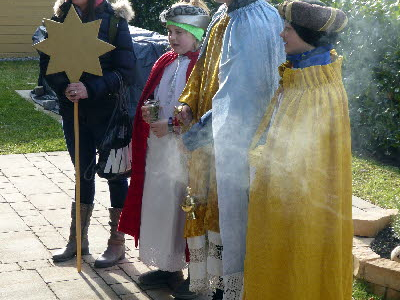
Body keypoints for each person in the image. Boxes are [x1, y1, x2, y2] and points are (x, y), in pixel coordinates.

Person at [243, 1, 352, 299]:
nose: (282, 35)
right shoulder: (303, 72)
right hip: (280, 193)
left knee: (300, 251)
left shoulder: (317, 86)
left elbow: (300, 162)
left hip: (299, 201)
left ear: (307, 34)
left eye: (288, 29)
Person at [176, 0, 285, 298]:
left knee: (236, 215)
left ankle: (234, 289)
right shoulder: (227, 14)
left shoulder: (252, 21)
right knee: (220, 209)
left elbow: (238, 95)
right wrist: (189, 103)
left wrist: (197, 134)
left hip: (241, 137)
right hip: (217, 132)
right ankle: (219, 284)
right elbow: (203, 68)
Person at [117, 1, 210, 298]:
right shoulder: (166, 61)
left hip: (187, 154)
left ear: (196, 33)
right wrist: (148, 114)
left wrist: (172, 125)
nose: (172, 38)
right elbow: (154, 96)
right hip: (159, 151)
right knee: (160, 204)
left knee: (186, 207)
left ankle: (195, 272)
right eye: (169, 31)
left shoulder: (202, 66)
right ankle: (168, 266)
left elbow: (204, 110)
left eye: (179, 32)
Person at [39, 0, 135, 268]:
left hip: (109, 114)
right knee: (82, 174)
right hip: (75, 114)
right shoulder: (59, 19)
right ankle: (77, 241)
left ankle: (117, 244)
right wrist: (65, 88)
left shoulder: (115, 20)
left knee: (115, 176)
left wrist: (90, 88)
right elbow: (47, 62)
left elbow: (126, 71)